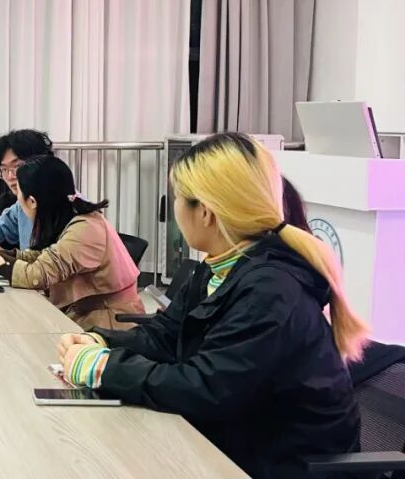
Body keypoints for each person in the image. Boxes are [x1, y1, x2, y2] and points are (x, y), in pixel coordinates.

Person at [57, 133, 367, 478]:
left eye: (177, 198)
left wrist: (106, 368)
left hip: (277, 464)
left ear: (204, 212)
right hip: (238, 444)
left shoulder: (270, 290)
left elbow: (206, 387)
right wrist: (103, 342)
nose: (174, 208)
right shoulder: (219, 266)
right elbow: (168, 333)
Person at [0, 155, 144, 330]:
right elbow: (44, 256)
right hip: (85, 313)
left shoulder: (85, 227)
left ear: (32, 201)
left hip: (108, 322)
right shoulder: (67, 215)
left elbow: (38, 275)